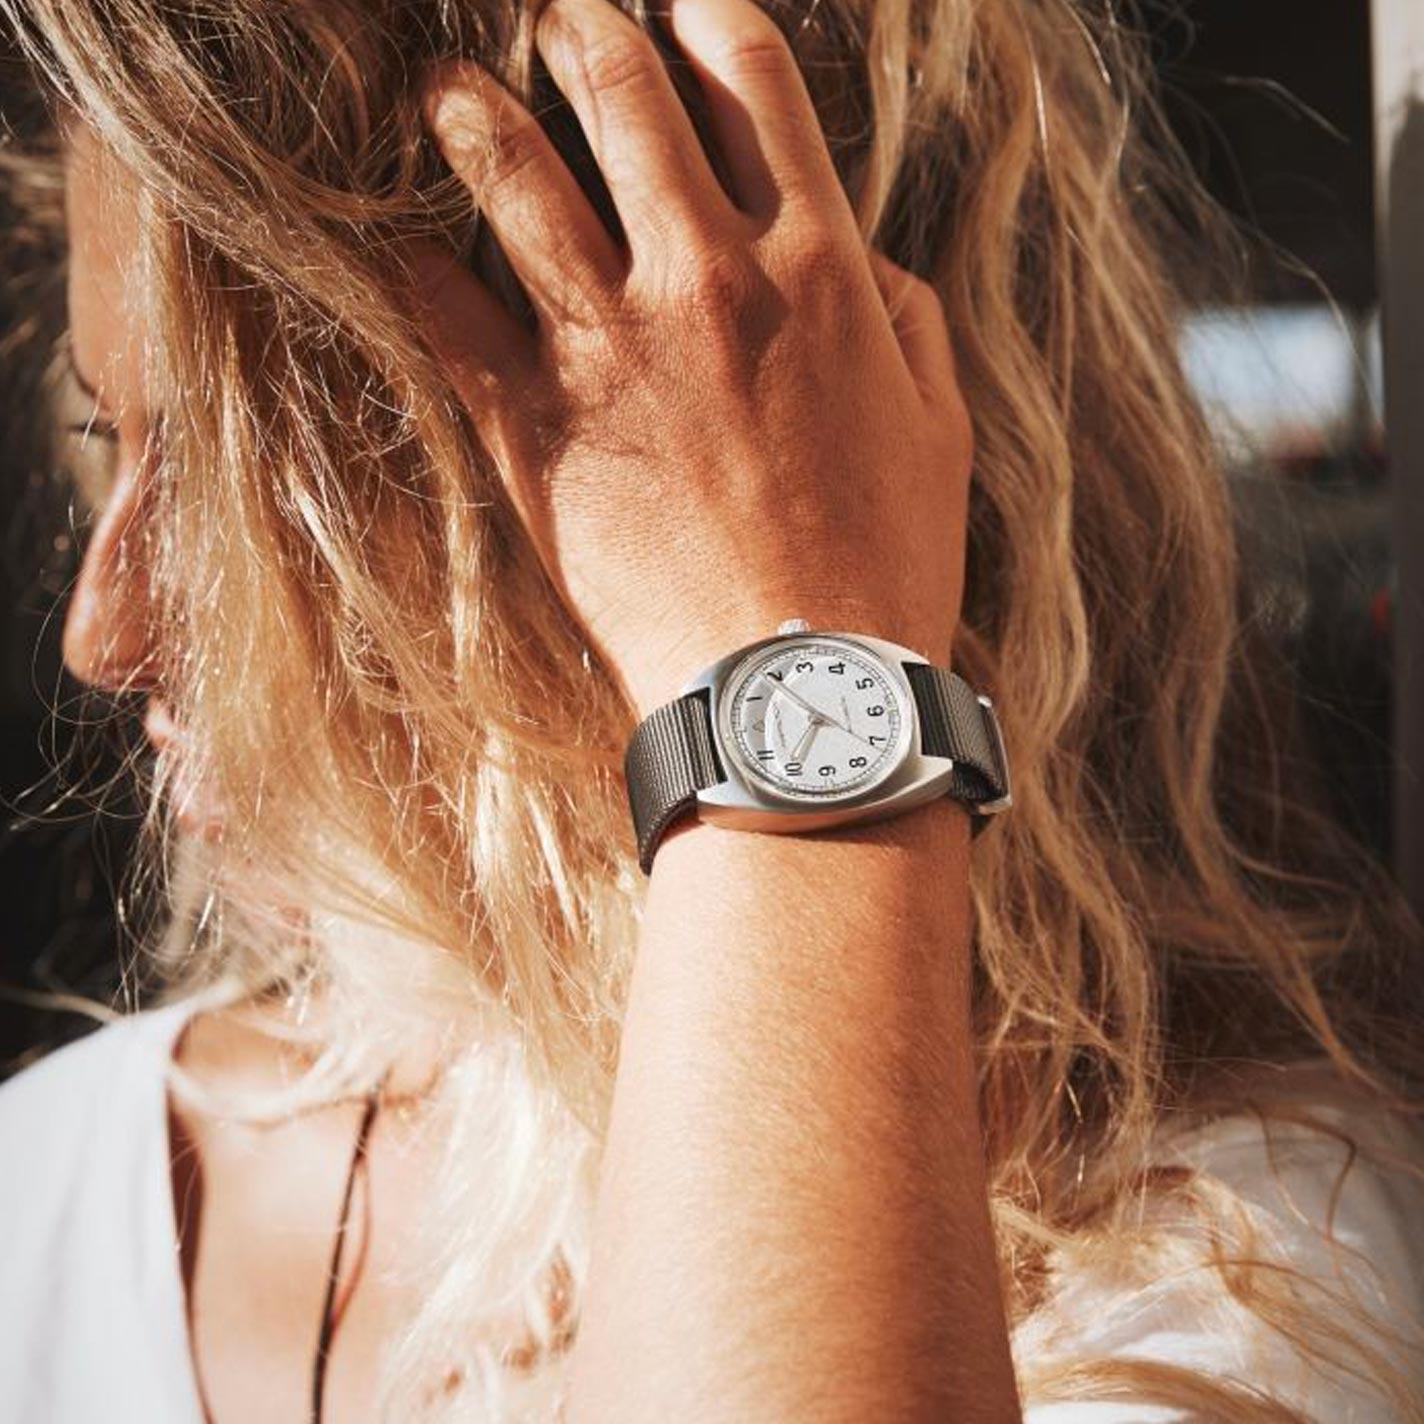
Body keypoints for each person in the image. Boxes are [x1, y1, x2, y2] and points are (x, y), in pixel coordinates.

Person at [1, 0, 1422, 1420]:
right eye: (104, 435)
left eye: (257, 500)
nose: (103, 633)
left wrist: (783, 656)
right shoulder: (55, 1185)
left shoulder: (1221, 1260)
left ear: (733, 444)